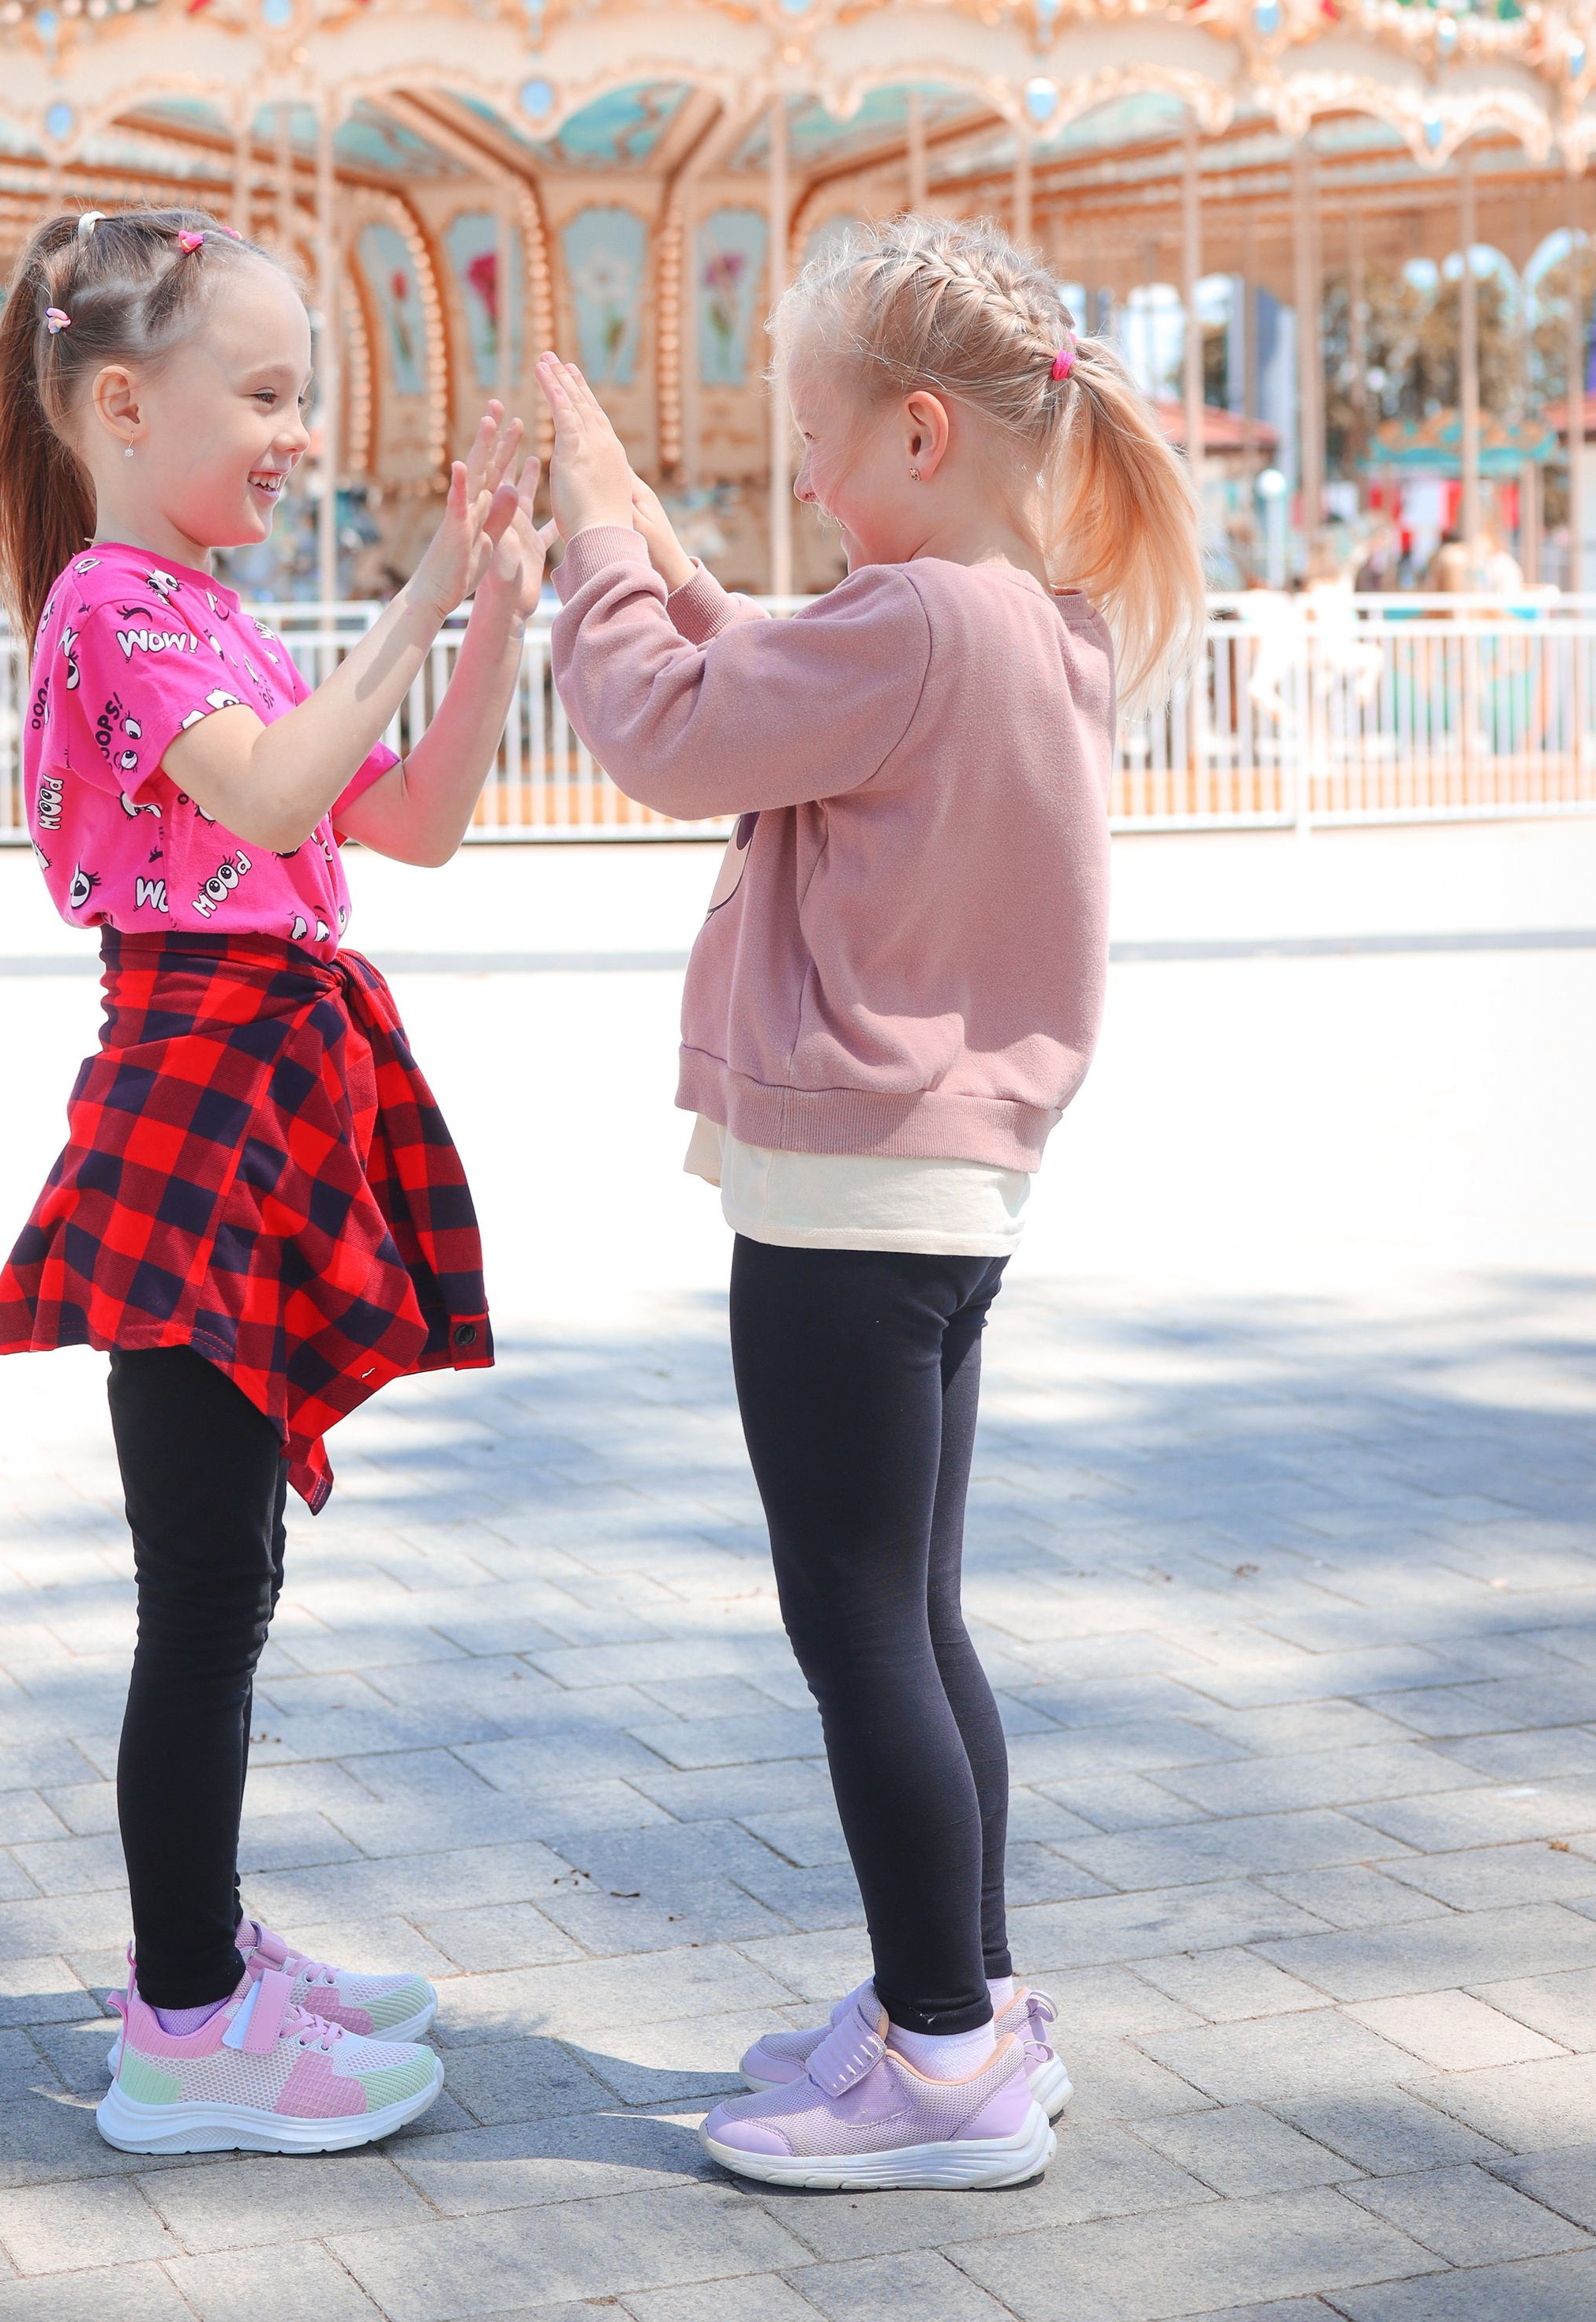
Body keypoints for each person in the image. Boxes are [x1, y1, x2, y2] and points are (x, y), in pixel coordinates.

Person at [538, 214, 1204, 2196]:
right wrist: (668, 554)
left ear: (921, 433)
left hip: (842, 1199)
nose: (810, 490)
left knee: (854, 1634)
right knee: (913, 1615)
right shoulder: (1030, 621)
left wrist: (593, 540)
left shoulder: (908, 625)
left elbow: (668, 730)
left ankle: (935, 2066)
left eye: (819, 449)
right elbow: (773, 671)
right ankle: (970, 1999)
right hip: (948, 1196)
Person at [0, 206, 545, 2155]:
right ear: (124, 406)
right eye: (269, 393)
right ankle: (185, 2025)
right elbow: (284, 792)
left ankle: (200, 1951)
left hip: (256, 1090)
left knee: (228, 1576)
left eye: (303, 395)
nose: (298, 433)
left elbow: (418, 820)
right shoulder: (111, 606)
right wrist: (421, 590)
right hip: (195, 1099)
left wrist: (488, 608)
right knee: (203, 1589)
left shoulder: (200, 609)